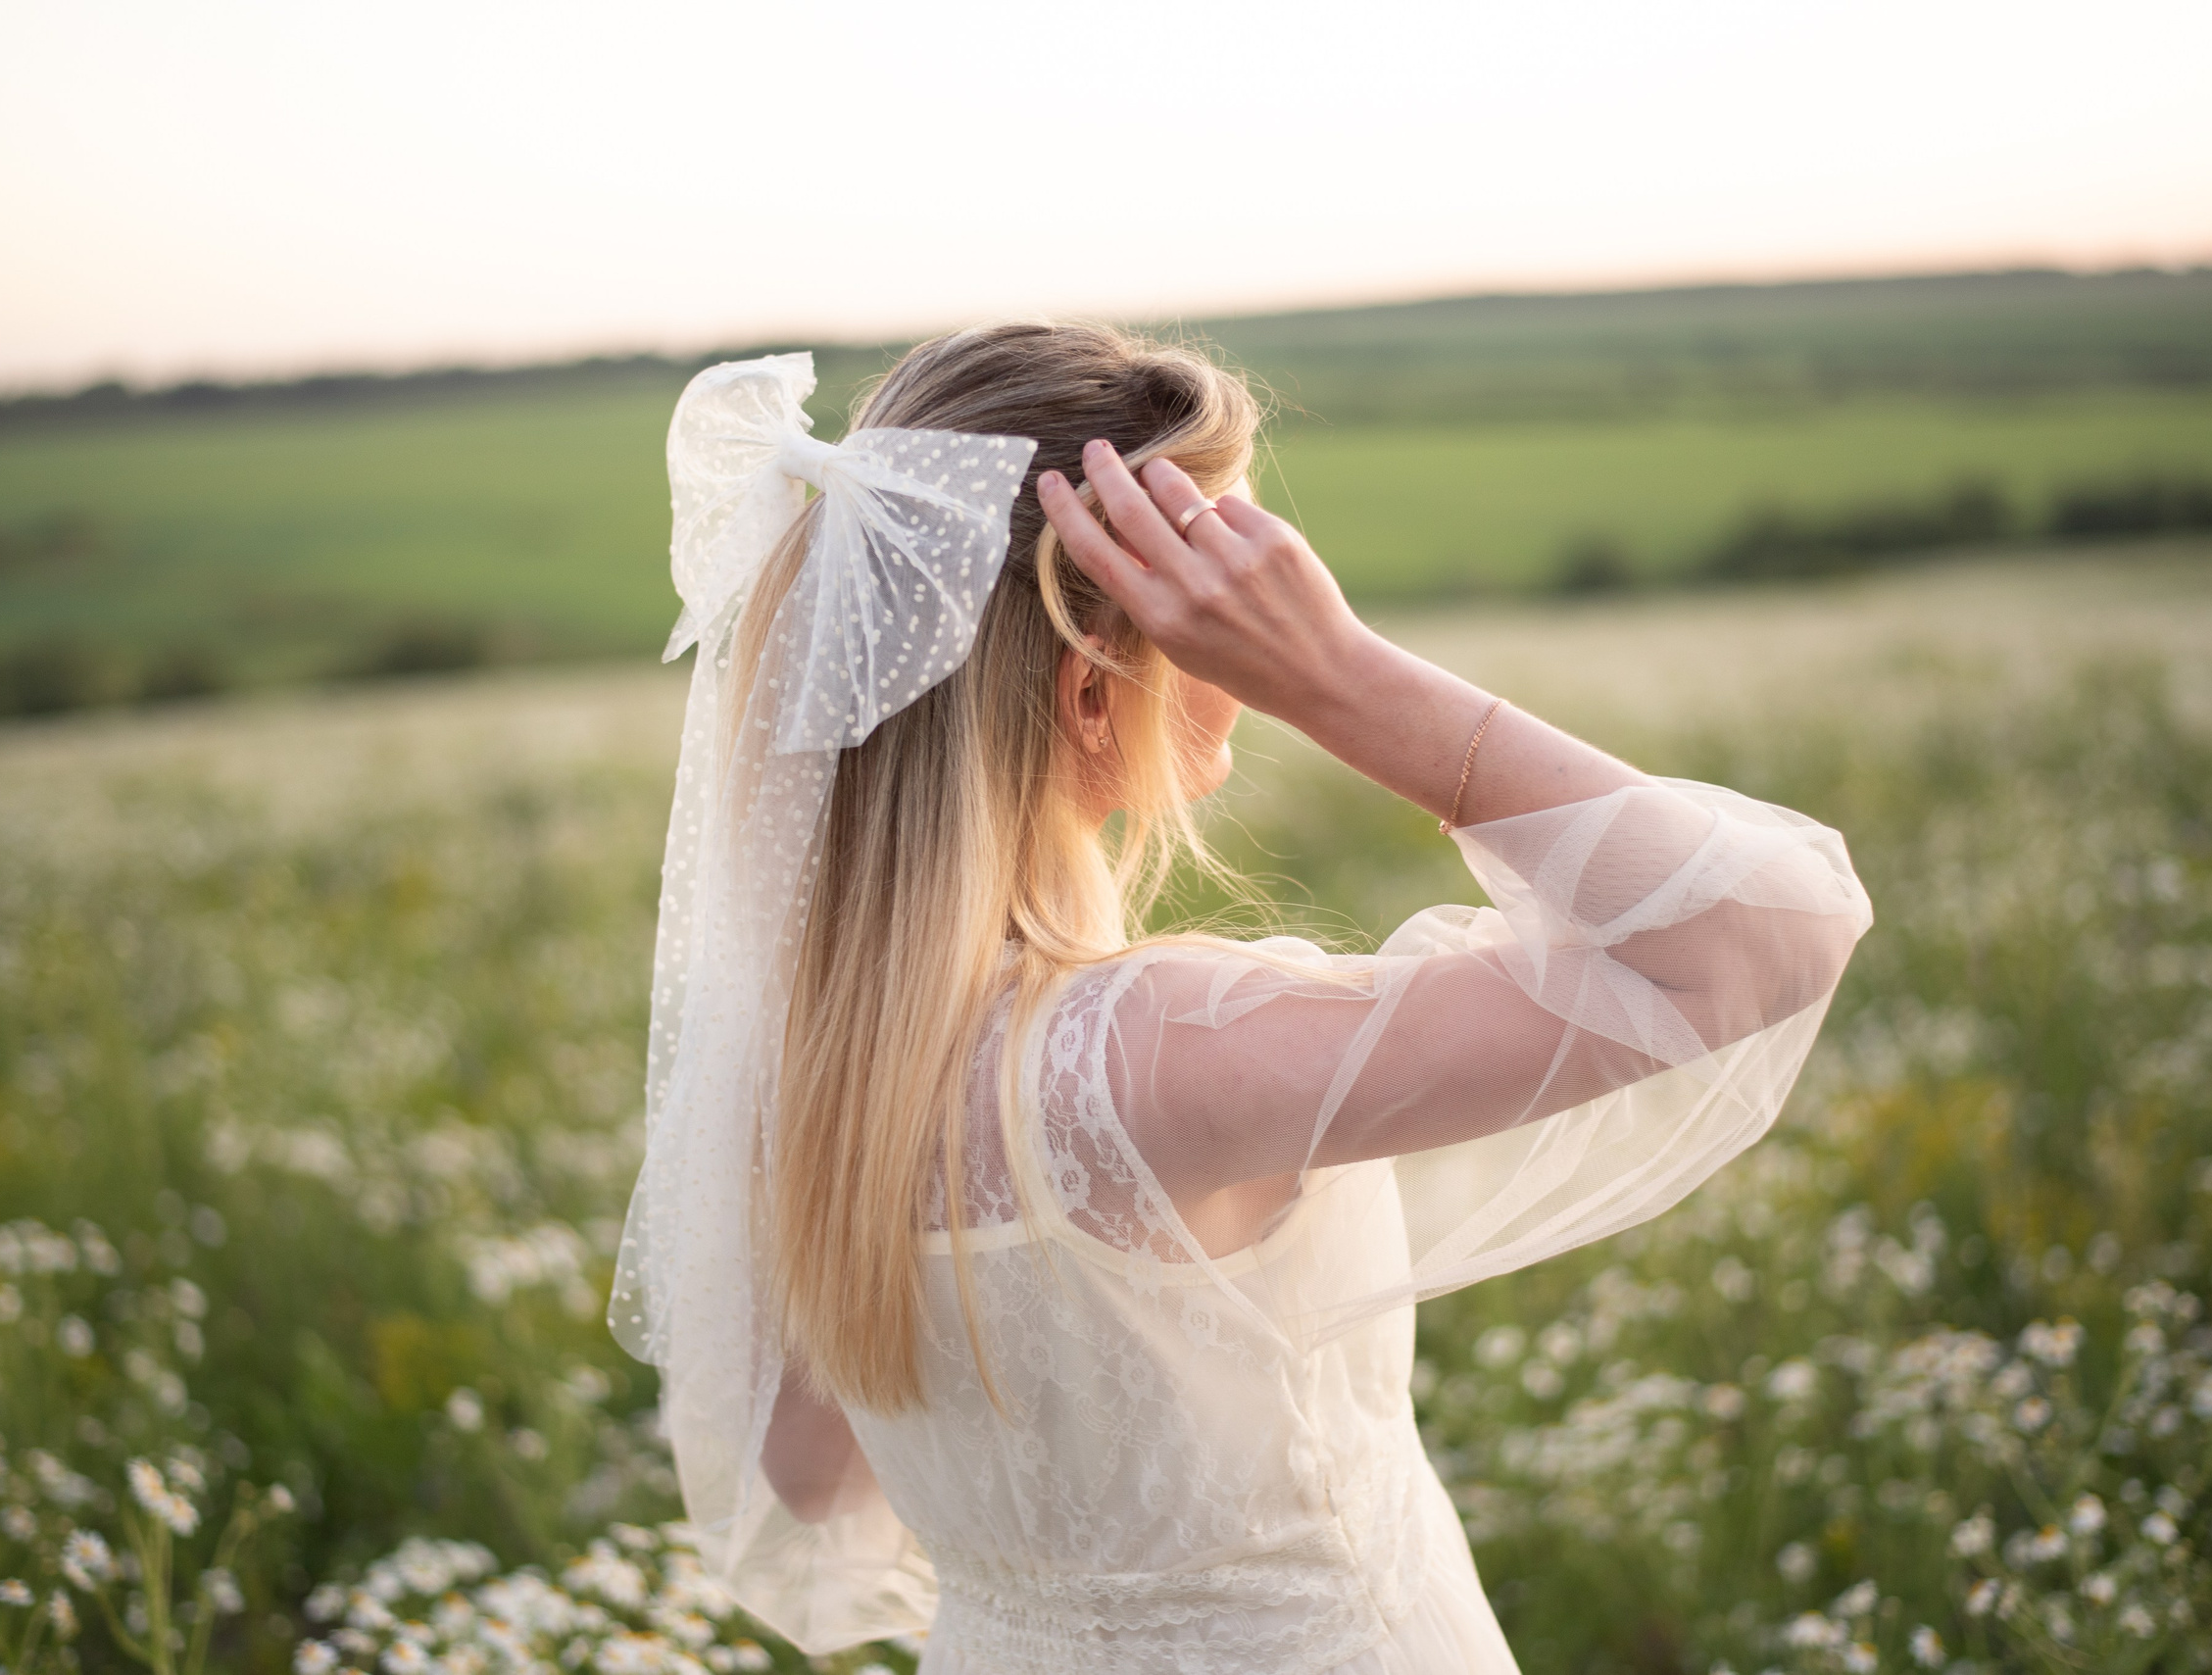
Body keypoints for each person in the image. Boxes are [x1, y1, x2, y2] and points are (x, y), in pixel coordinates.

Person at [609, 322, 1873, 1674]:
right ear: (1092, 687)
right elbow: (1767, 929)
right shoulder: (1149, 1054)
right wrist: (1335, 671)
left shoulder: (820, 1073)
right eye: (1224, 591)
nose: (1263, 616)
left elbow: (810, 1472)